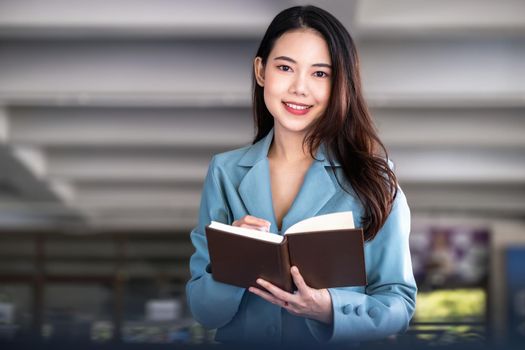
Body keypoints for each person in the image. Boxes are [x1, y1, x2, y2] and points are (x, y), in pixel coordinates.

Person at [185, 5, 417, 346]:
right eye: (284, 67)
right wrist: (234, 263)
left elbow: (398, 302)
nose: (299, 88)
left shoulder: (375, 179)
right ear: (261, 71)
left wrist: (330, 309)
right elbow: (204, 312)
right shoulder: (224, 172)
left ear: (341, 84)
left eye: (320, 74)